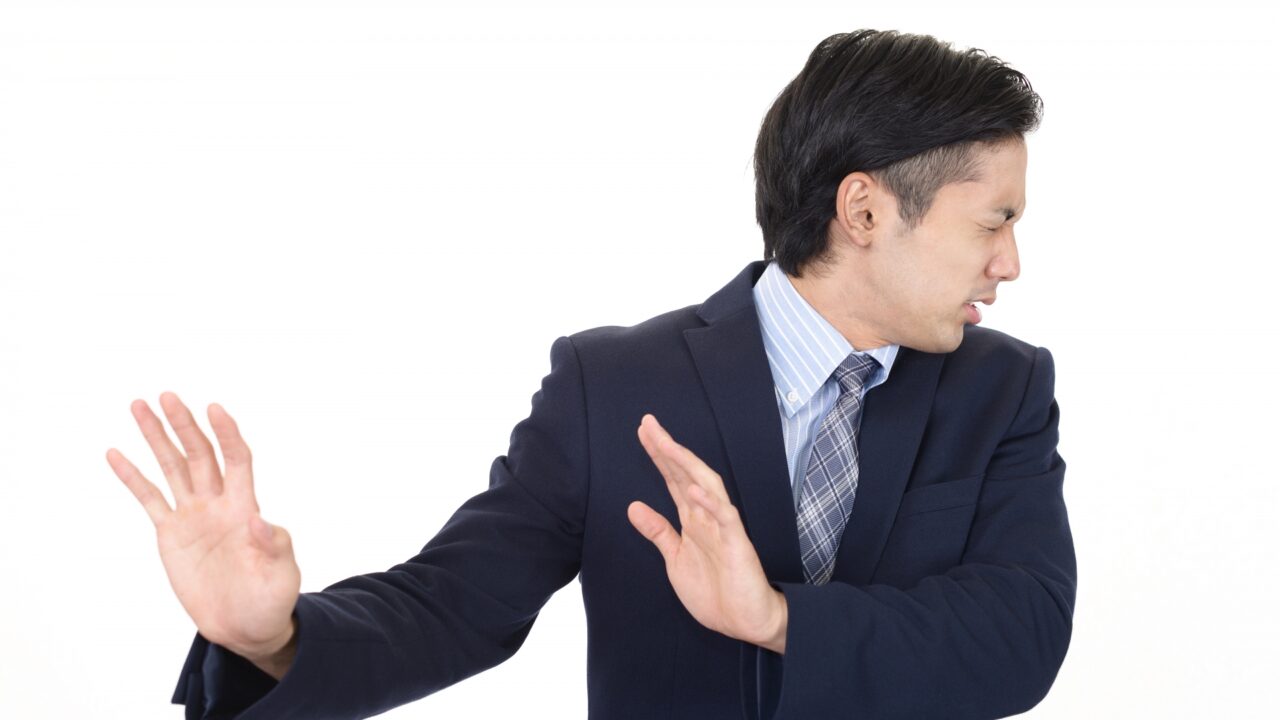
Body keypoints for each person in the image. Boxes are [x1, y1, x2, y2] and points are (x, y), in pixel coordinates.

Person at [107, 29, 1075, 719]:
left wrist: (781, 620)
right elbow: (454, 606)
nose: (1010, 262)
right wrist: (272, 637)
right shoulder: (612, 384)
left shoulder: (1004, 391)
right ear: (862, 211)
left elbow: (1019, 635)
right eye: (993, 221)